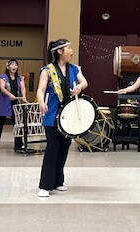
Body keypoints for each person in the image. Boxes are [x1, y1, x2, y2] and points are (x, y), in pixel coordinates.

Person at [36, 39, 88, 197]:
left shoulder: (74, 69)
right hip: (52, 116)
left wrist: (80, 86)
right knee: (52, 149)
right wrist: (41, 103)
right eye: (69, 48)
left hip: (69, 117)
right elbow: (40, 90)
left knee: (64, 149)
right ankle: (45, 185)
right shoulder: (47, 70)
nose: (72, 51)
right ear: (59, 51)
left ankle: (58, 181)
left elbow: (84, 81)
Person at [0, 59, 28, 152]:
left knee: (17, 124)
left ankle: (19, 145)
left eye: (16, 65)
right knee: (0, 124)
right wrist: (9, 94)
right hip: (5, 102)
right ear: (8, 67)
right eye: (12, 65)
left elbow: (23, 88)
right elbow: (2, 88)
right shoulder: (2, 77)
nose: (14, 66)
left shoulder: (20, 78)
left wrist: (24, 97)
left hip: (16, 102)